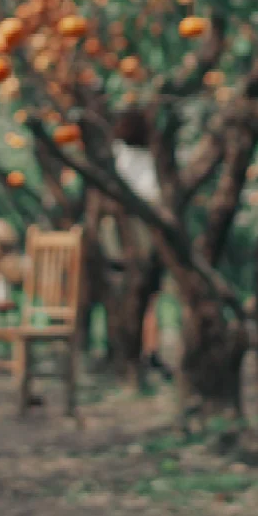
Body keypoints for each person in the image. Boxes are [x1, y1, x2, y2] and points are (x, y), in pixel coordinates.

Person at [110, 107, 170, 378]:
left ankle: (146, 351)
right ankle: (145, 351)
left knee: (142, 293)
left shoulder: (127, 154)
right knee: (144, 294)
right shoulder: (135, 154)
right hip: (137, 228)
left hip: (136, 229)